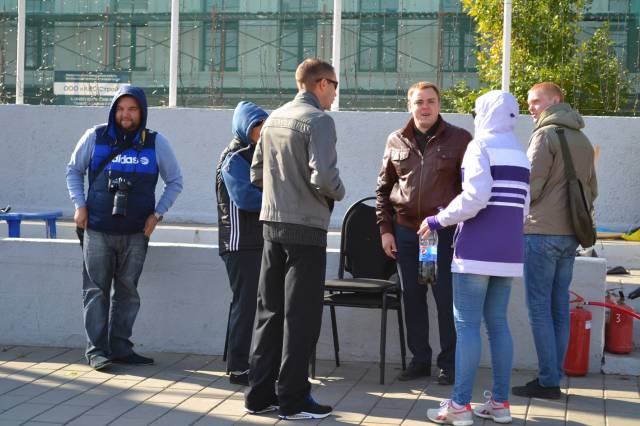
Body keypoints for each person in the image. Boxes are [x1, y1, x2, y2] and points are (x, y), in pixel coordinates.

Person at [245, 58, 345, 420]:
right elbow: (325, 178)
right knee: (301, 317)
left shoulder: (273, 118)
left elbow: (256, 174)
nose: (335, 93)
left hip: (272, 225)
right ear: (321, 84)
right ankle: (293, 399)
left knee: (268, 312)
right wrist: (339, 192)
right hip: (306, 229)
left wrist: (281, 194)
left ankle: (259, 395)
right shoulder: (319, 120)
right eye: (334, 85)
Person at [421, 91, 530, 425]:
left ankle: (459, 406)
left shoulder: (479, 145)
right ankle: (500, 403)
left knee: (466, 325)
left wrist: (437, 220)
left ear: (484, 113)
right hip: (509, 250)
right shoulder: (520, 153)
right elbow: (524, 207)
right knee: (498, 325)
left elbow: (475, 197)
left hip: (477, 250)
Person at [66, 85, 183, 371]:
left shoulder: (155, 142)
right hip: (97, 230)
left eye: (131, 109)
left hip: (136, 233)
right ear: (112, 111)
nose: (125, 115)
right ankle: (97, 352)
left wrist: (157, 215)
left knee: (127, 292)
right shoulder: (95, 137)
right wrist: (79, 205)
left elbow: (175, 181)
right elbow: (73, 170)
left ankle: (120, 348)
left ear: (142, 112)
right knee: (96, 291)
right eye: (120, 109)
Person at [375, 81, 472, 384]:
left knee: (444, 299)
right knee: (412, 298)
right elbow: (383, 189)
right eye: (419, 102)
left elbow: (470, 190)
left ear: (439, 104)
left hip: (439, 234)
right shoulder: (396, 140)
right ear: (410, 106)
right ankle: (419, 361)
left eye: (430, 101)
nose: (425, 107)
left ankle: (449, 364)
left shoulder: (459, 139)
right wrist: (385, 230)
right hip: (406, 233)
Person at [512, 82, 598, 399]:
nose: (531, 108)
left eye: (536, 101)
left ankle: (548, 381)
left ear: (555, 100)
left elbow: (529, 187)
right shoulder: (583, 139)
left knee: (539, 308)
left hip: (541, 232)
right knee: (559, 307)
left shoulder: (545, 135)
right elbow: (592, 190)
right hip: (570, 235)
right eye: (529, 103)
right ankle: (553, 375)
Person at [216, 101, 268, 386]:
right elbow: (246, 199)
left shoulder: (261, 153)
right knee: (245, 304)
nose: (262, 130)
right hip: (239, 243)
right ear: (244, 127)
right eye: (257, 125)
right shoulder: (234, 157)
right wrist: (279, 199)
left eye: (265, 124)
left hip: (259, 240)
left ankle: (256, 363)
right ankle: (238, 368)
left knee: (256, 304)